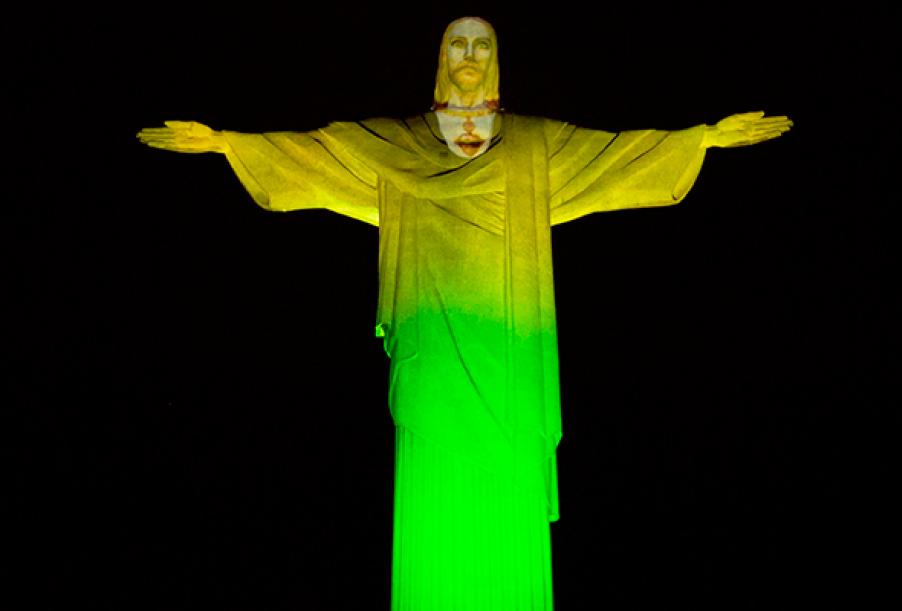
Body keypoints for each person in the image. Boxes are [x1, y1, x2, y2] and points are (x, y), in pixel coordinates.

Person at [138, 16, 791, 611]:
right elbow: (317, 154)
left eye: (482, 43)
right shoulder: (398, 144)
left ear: (497, 58)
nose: (469, 52)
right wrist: (227, 143)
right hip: (433, 365)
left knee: (506, 543)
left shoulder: (536, 146)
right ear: (441, 57)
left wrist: (702, 138)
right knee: (434, 530)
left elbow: (616, 156)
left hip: (508, 368)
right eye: (458, 42)